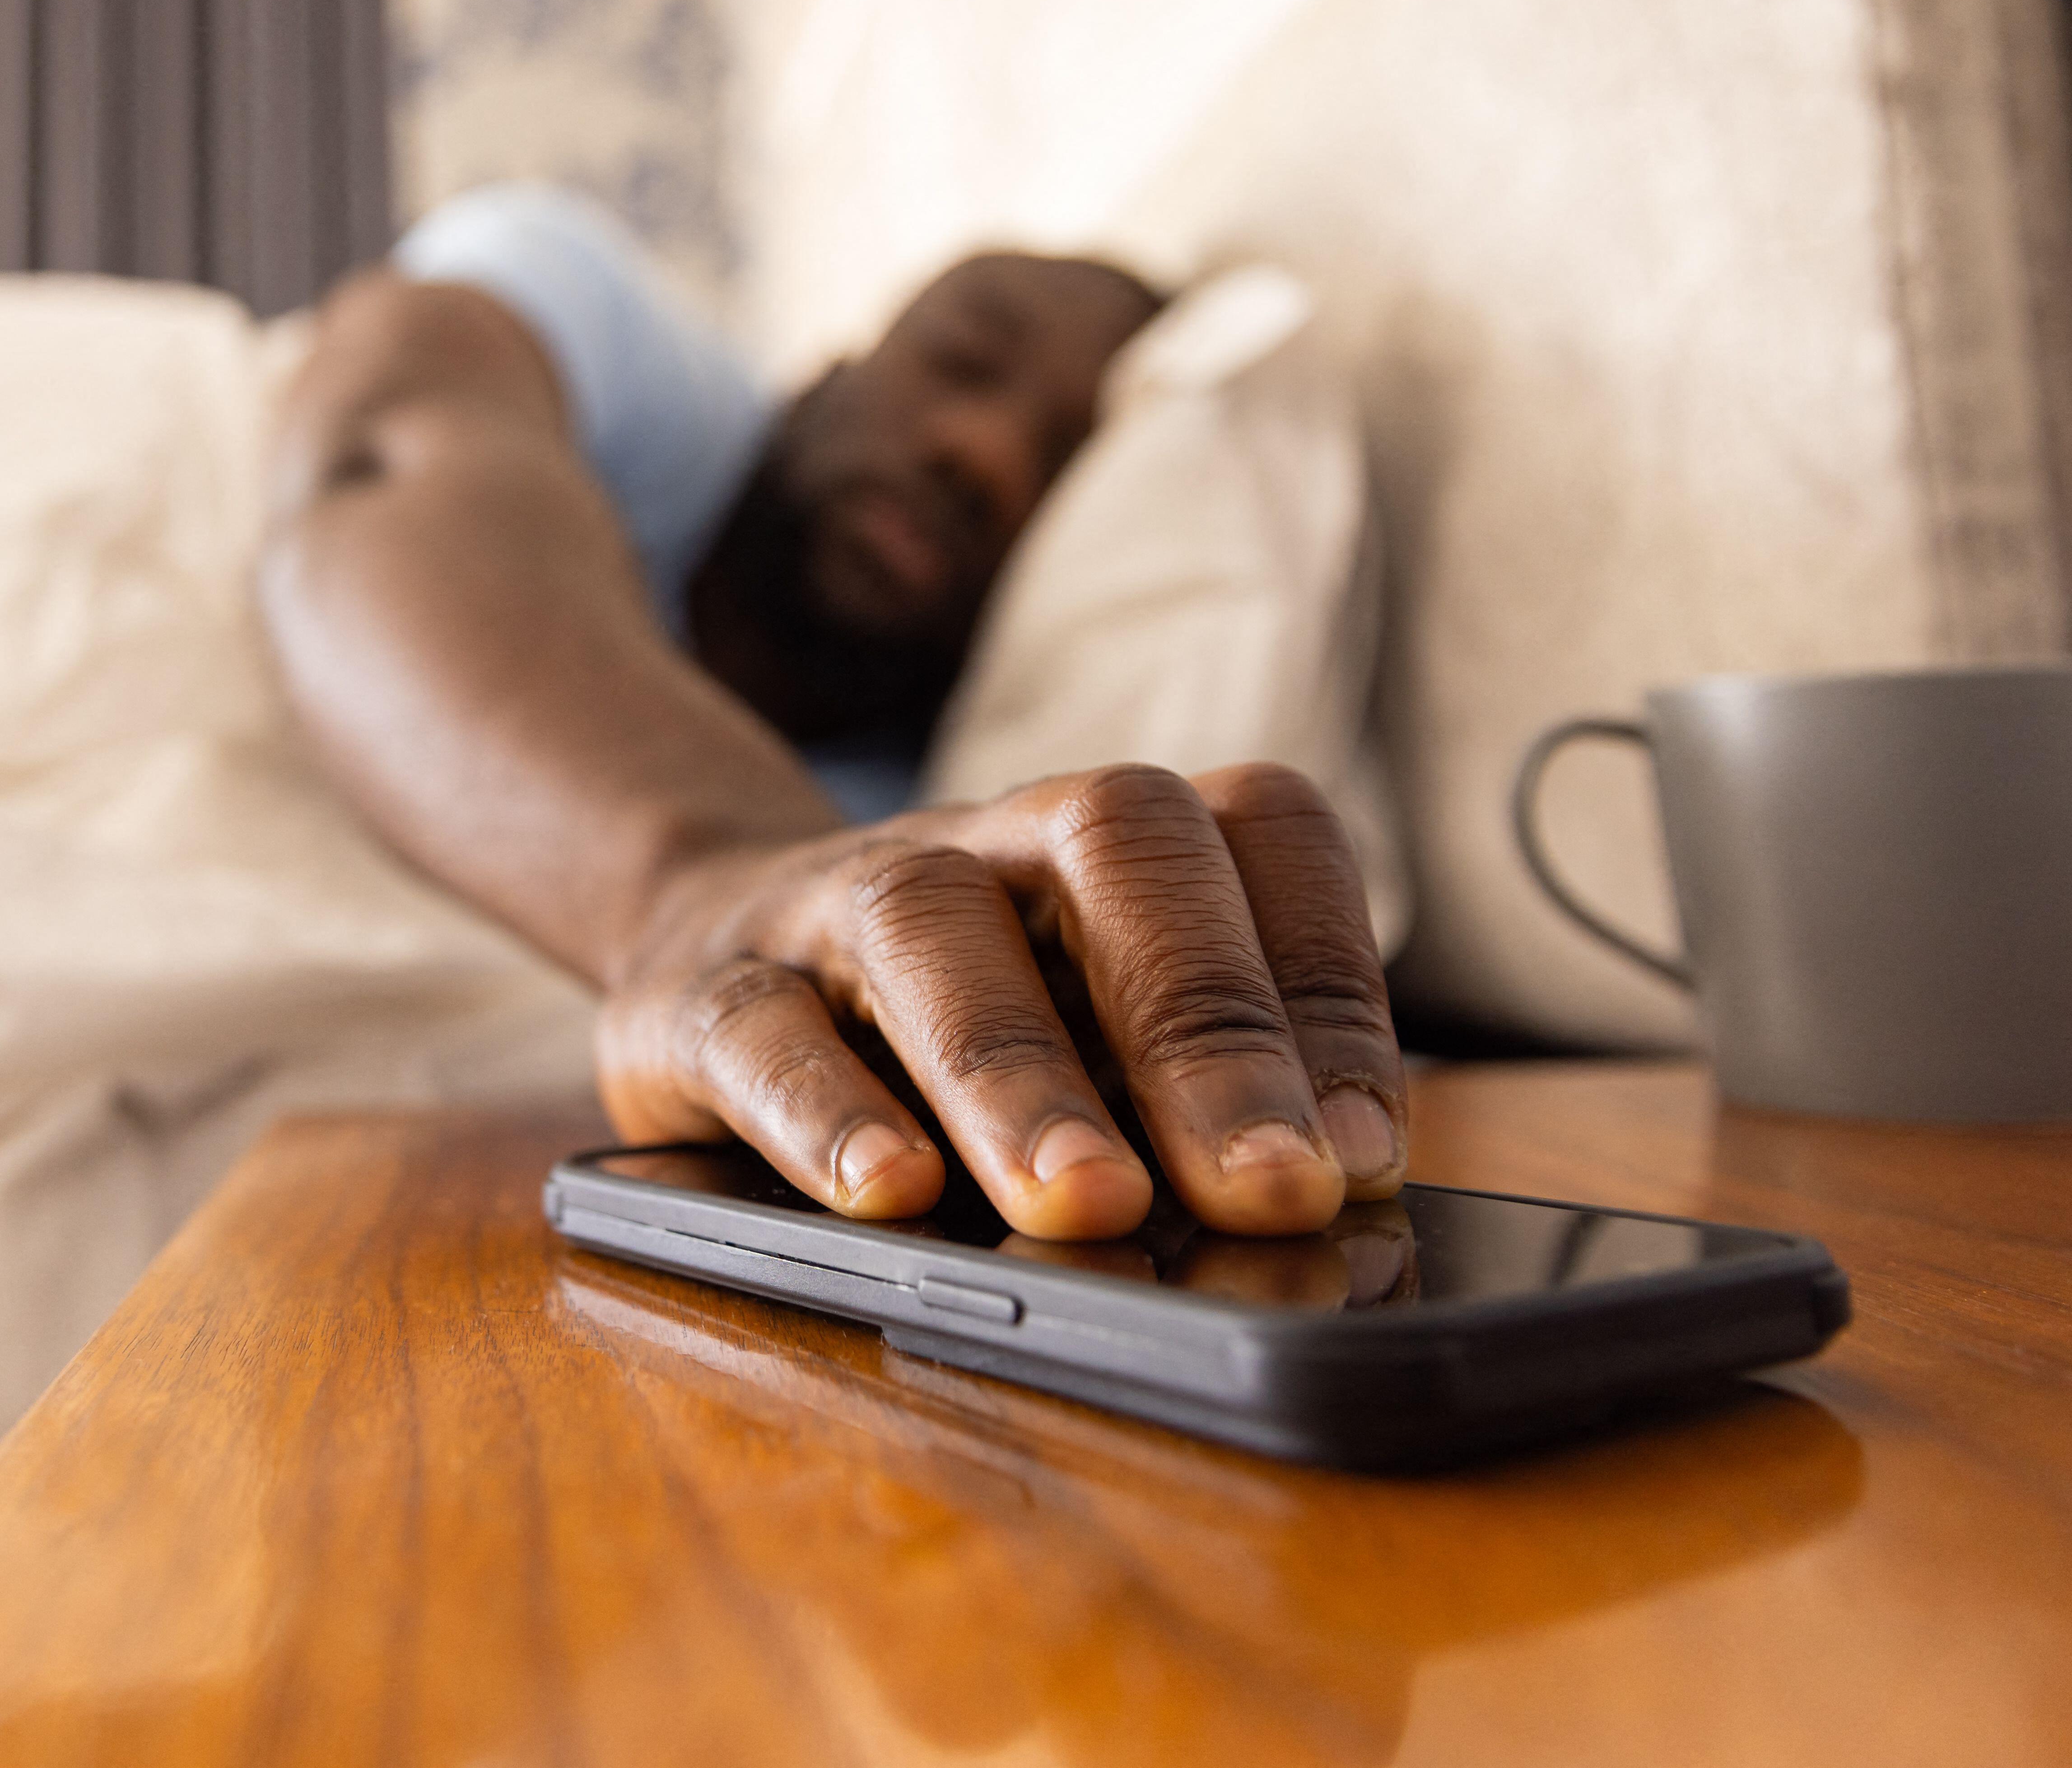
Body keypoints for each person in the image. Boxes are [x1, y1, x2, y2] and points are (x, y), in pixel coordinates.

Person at [260, 184, 1407, 1242]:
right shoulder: (615, 347)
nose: (982, 449)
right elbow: (377, 458)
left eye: (1061, 464)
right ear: (823, 375)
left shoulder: (925, 818)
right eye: (961, 361)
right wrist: (699, 888)